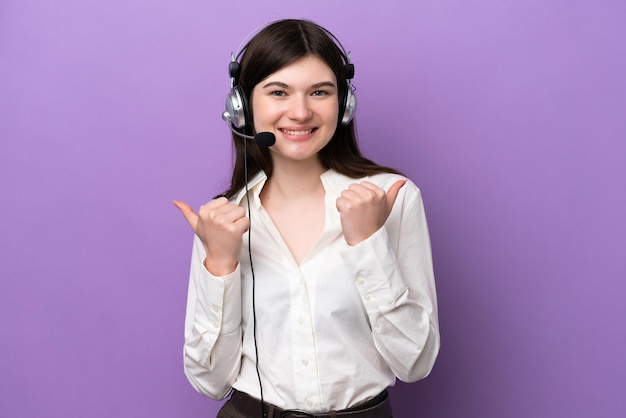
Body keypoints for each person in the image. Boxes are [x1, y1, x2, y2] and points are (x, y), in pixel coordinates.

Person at [173, 19, 440, 418]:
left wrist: (367, 246)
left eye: (319, 92)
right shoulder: (224, 221)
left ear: (344, 104)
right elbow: (210, 383)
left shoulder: (392, 199)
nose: (300, 112)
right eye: (278, 92)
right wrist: (221, 266)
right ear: (242, 107)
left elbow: (415, 363)